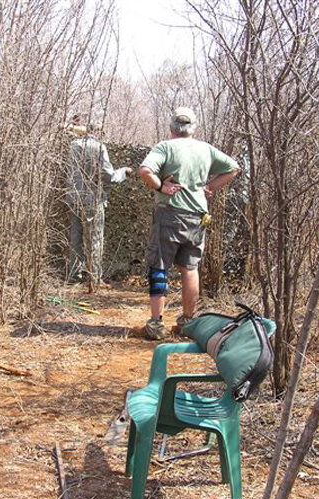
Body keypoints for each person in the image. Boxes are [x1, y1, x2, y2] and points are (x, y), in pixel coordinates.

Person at [137, 107, 241, 339]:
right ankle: (187, 322)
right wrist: (210, 188)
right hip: (197, 218)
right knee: (190, 268)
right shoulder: (206, 149)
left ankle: (156, 324)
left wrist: (160, 186)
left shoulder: (165, 147)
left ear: (172, 127)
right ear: (193, 128)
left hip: (169, 215)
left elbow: (145, 170)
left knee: (160, 267)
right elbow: (234, 168)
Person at [66, 122, 131, 290]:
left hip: (74, 197)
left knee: (76, 238)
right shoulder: (98, 147)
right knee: (95, 239)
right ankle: (94, 277)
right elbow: (108, 175)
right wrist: (123, 172)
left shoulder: (73, 145)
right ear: (98, 133)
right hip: (92, 199)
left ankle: (74, 276)